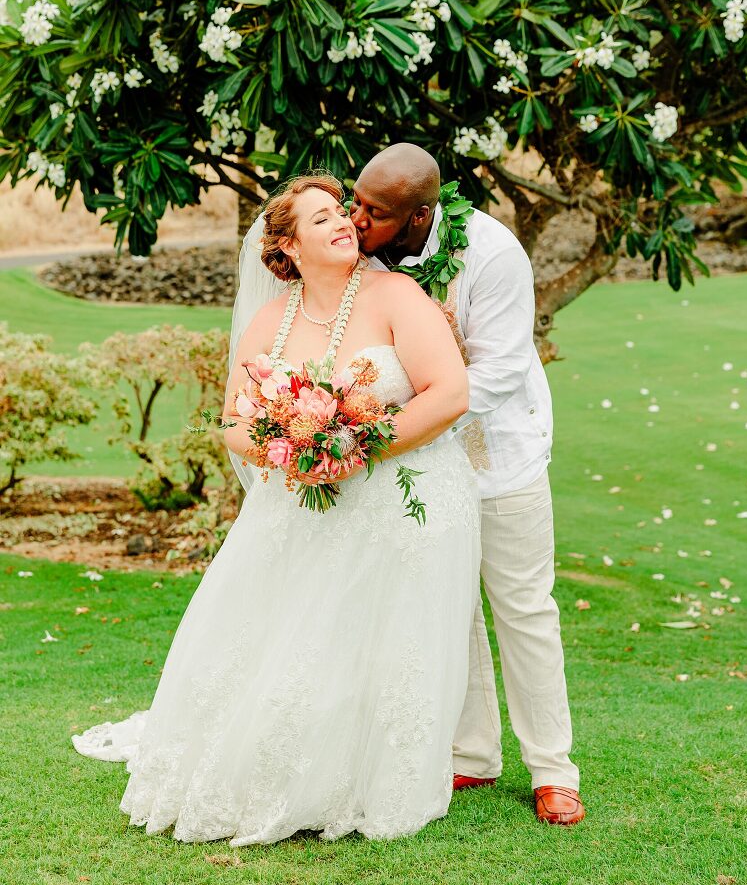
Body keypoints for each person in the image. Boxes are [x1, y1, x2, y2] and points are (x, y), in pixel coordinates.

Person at [72, 173, 481, 845]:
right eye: (320, 220)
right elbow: (235, 422)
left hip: (407, 499)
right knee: (296, 637)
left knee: (382, 642)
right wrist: (290, 448)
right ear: (286, 245)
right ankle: (292, 767)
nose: (343, 222)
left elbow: (449, 393)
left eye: (341, 212)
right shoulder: (272, 319)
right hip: (306, 500)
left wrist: (358, 446)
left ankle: (366, 777)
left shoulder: (395, 295)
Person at [349, 144, 586, 826]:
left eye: (376, 211)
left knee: (523, 607)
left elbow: (504, 368)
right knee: (451, 605)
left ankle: (553, 769)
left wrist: (412, 421)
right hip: (418, 465)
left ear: (422, 214)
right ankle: (474, 752)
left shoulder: (493, 252)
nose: (358, 218)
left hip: (499, 454)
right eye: (358, 201)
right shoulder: (364, 253)